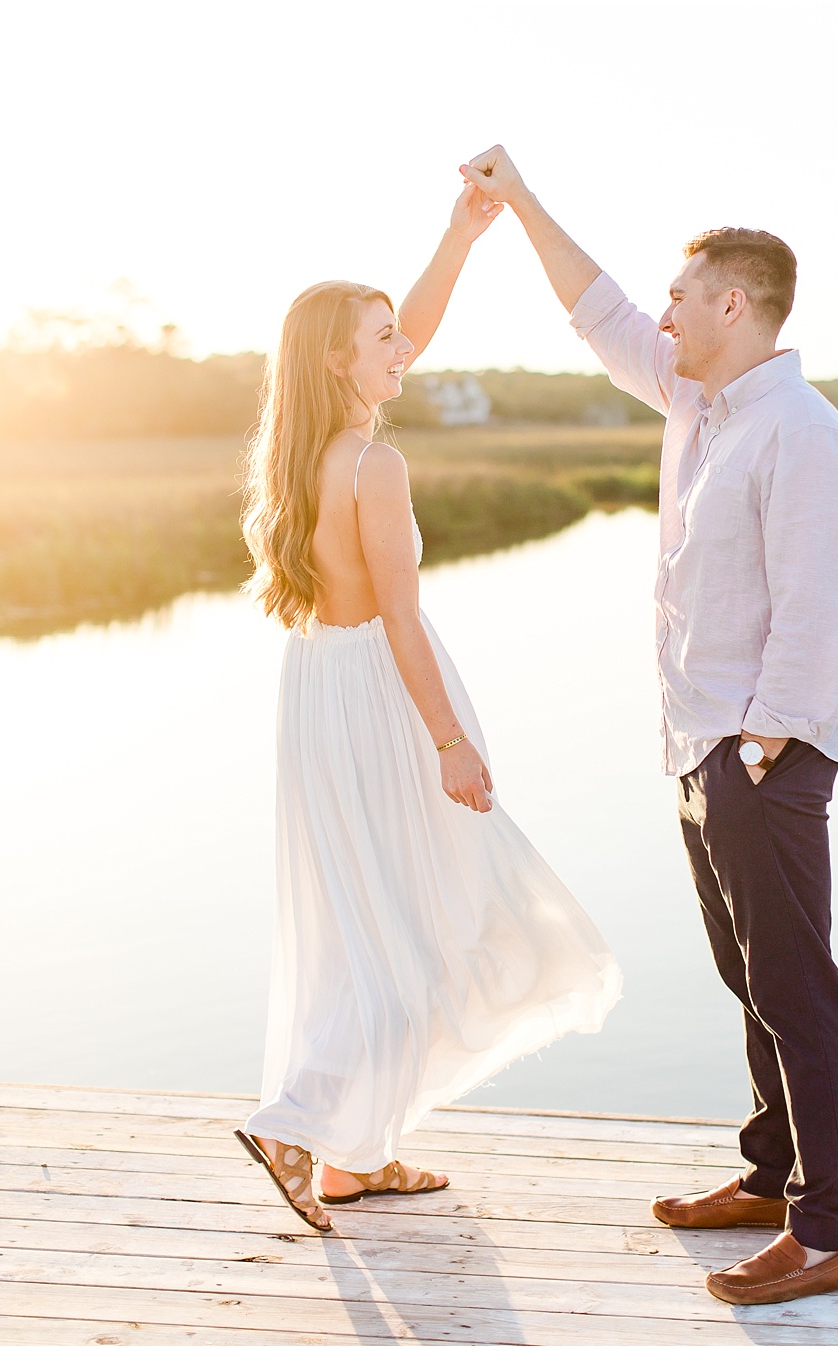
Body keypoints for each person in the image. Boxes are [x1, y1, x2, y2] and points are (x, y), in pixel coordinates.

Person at [457, 146, 838, 1306]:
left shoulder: (804, 434)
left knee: (797, 987)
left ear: (733, 306)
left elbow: (819, 610)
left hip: (760, 755)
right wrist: (523, 202)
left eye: (684, 295)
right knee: (749, 978)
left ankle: (832, 1229)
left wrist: (761, 745)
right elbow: (597, 311)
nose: (667, 311)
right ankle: (775, 1174)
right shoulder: (702, 398)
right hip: (701, 746)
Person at [232, 184, 622, 1234]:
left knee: (358, 916)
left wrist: (458, 236)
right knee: (427, 924)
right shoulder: (375, 461)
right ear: (337, 360)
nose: (404, 347)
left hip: (317, 689)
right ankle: (297, 1118)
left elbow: (403, 332)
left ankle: (358, 1156)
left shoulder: (304, 452)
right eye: (383, 339)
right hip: (381, 696)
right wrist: (449, 740)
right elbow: (403, 620)